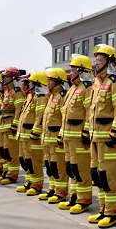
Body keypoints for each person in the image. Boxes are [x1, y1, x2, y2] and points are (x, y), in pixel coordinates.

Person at [87, 45, 116, 229]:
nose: (96, 62)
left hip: (109, 140)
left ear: (110, 62)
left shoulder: (115, 82)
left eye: (100, 59)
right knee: (97, 176)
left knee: (109, 176)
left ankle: (113, 212)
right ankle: (103, 209)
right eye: (96, 59)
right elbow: (91, 112)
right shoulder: (96, 84)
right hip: (96, 139)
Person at [58, 55, 93, 214]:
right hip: (68, 137)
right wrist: (60, 135)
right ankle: (73, 197)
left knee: (81, 170)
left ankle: (83, 200)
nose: (70, 72)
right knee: (71, 169)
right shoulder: (72, 88)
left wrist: (85, 134)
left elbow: (88, 113)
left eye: (73, 69)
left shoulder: (87, 88)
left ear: (80, 70)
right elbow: (65, 114)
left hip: (79, 138)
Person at [15, 71, 48, 195]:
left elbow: (39, 117)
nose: (28, 84)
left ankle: (37, 184)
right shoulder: (30, 96)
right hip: (24, 135)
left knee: (34, 161)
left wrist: (35, 132)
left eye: (31, 82)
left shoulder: (41, 98)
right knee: (25, 160)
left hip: (32, 136)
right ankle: (29, 182)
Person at [38, 68, 68, 203]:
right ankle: (52, 188)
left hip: (56, 139)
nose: (48, 83)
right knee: (50, 167)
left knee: (58, 167)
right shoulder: (51, 97)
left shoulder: (62, 96)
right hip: (47, 140)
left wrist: (61, 136)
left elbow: (64, 118)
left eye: (50, 80)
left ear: (58, 82)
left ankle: (60, 192)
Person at [0, 67, 26, 185]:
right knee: (4, 152)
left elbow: (18, 111)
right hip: (3, 126)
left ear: (12, 79)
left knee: (12, 152)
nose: (3, 79)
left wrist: (15, 125)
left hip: (10, 128)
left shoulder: (17, 92)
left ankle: (12, 175)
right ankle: (6, 171)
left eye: (6, 77)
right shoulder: (7, 92)